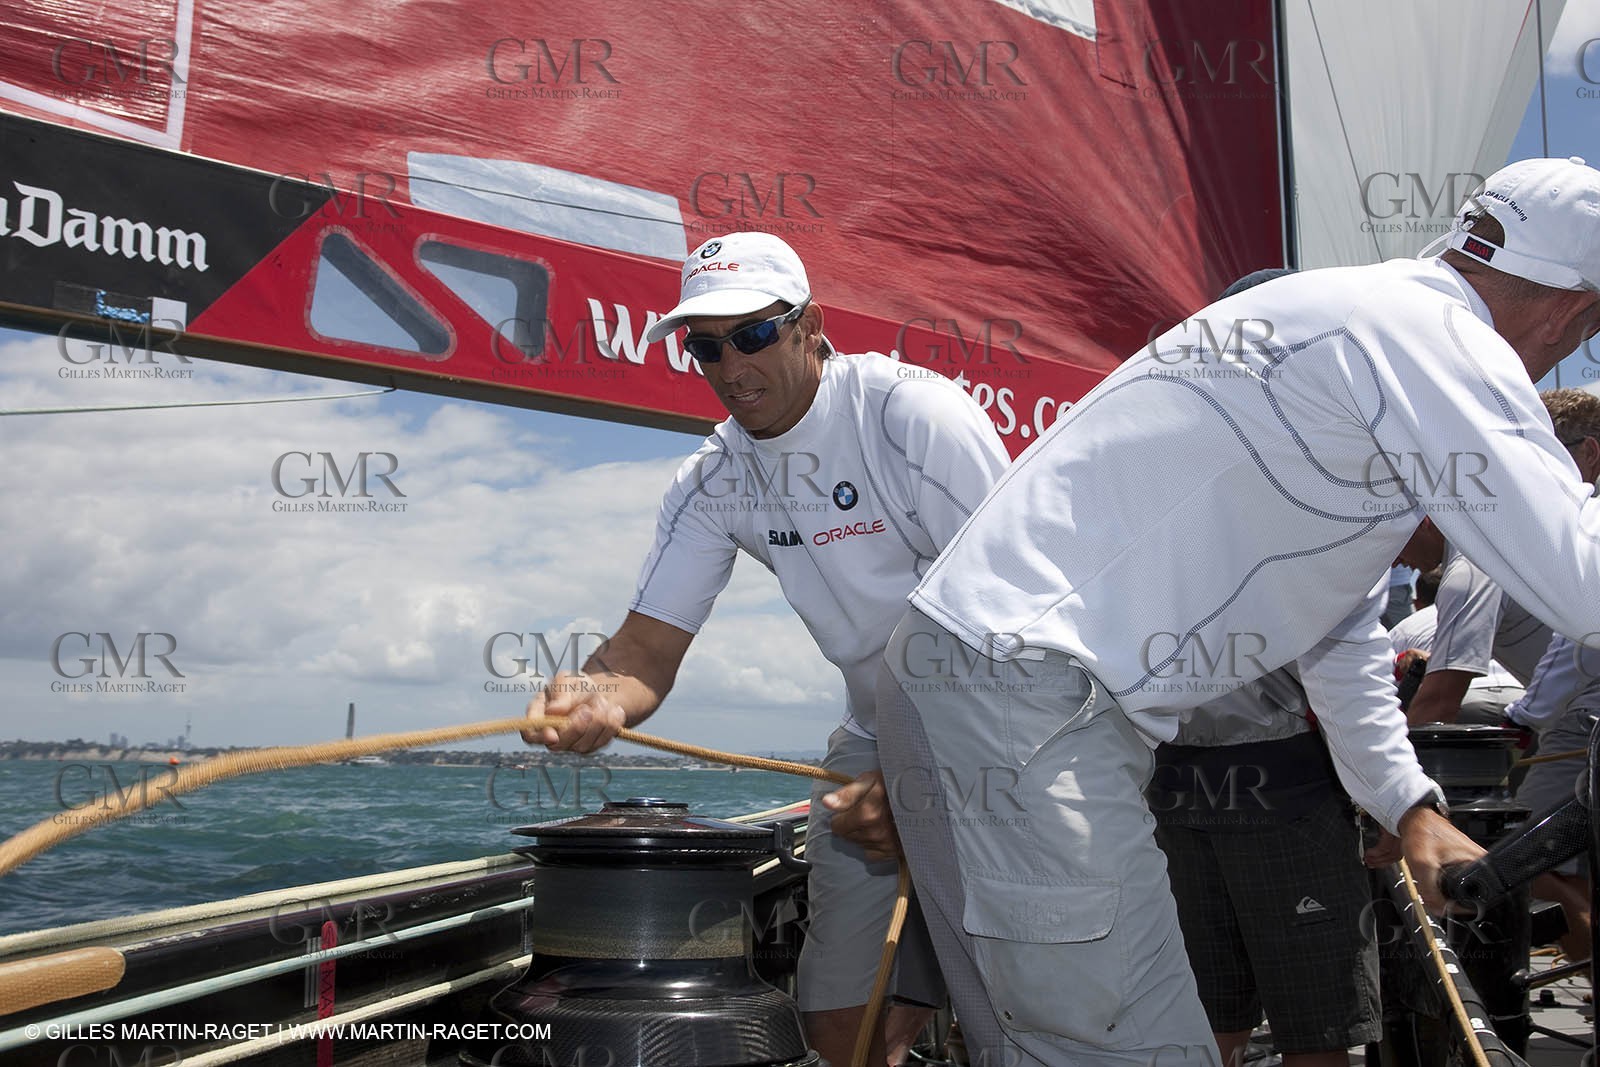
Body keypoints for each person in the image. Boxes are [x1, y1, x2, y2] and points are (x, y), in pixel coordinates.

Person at [867, 157, 1600, 1066]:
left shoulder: (1355, 334)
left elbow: (1338, 645)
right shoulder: (1434, 333)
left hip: (966, 685)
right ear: (1573, 305)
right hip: (1027, 701)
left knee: (1040, 1044)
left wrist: (1407, 805)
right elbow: (1582, 576)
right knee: (1131, 1049)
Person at [519, 231, 1011, 1067]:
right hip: (872, 740)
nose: (729, 363)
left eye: (753, 334)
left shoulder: (910, 417)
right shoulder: (713, 479)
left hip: (1002, 724)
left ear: (810, 324)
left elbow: (1012, 620)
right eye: (704, 345)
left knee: (1022, 1014)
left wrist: (928, 774)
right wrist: (596, 696)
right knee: (836, 1028)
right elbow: (644, 648)